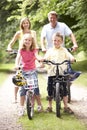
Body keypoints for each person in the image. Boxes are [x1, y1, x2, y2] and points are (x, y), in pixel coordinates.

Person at [41, 32, 75, 114]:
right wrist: (43, 60)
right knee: (50, 89)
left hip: (61, 72)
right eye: (54, 40)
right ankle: (49, 106)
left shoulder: (64, 50)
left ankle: (66, 106)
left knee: (64, 90)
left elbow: (69, 55)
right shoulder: (50, 50)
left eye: (58, 41)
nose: (56, 42)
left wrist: (72, 58)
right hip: (52, 72)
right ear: (52, 41)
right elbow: (45, 58)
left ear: (61, 41)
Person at [7, 17, 38, 103]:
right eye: (24, 23)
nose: (25, 24)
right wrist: (9, 48)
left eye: (27, 23)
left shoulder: (33, 33)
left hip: (30, 54)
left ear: (29, 23)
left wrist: (37, 51)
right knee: (19, 77)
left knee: (32, 76)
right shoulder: (19, 33)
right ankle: (15, 97)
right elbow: (11, 43)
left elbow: (35, 43)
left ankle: (31, 94)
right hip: (21, 56)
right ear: (22, 24)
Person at [15, 33, 43, 116]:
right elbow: (18, 58)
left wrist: (40, 60)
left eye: (29, 40)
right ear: (23, 41)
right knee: (22, 90)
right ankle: (21, 108)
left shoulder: (34, 50)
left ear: (32, 42)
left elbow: (37, 56)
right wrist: (16, 65)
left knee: (36, 88)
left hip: (32, 71)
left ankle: (39, 105)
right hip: (23, 71)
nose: (27, 41)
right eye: (26, 40)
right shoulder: (21, 50)